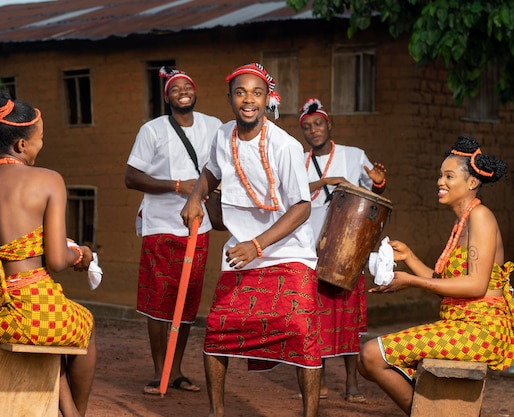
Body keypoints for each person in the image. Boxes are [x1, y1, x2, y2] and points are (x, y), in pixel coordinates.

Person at [181, 62, 322, 417]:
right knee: (216, 331)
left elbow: (302, 207)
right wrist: (195, 197)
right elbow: (211, 171)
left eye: (256, 93)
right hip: (240, 255)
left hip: (289, 253)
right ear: (230, 98)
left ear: (266, 99)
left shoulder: (285, 146)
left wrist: (257, 245)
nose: (249, 100)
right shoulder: (222, 135)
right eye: (241, 93)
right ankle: (217, 412)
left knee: (301, 330)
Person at [0, 89, 97, 417]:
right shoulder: (48, 181)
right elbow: (57, 260)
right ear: (22, 144)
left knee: (47, 322)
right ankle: (77, 413)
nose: (42, 145)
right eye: (40, 138)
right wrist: (81, 254)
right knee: (84, 323)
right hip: (29, 308)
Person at [358, 135, 513, 416]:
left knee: (371, 355)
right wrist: (411, 259)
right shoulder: (462, 222)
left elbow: (476, 285)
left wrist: (411, 281)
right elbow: (448, 285)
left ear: (472, 183)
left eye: (449, 176)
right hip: (463, 325)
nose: (440, 182)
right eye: (440, 175)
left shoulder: (481, 217)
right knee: (368, 358)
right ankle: (433, 410)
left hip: (480, 330)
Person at [125, 66, 222, 395]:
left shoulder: (214, 126)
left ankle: (176, 370)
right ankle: (158, 372)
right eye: (176, 88)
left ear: (195, 92)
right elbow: (131, 177)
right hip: (160, 225)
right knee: (158, 301)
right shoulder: (151, 130)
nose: (183, 91)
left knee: (188, 301)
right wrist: (178, 185)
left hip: (199, 226)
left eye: (188, 87)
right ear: (167, 96)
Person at [294, 98, 386, 403]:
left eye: (318, 124)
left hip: (347, 251)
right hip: (310, 249)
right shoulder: (298, 162)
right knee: (315, 317)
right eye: (307, 127)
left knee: (347, 317)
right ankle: (316, 382)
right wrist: (326, 181)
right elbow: (288, 193)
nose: (313, 130)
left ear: (328, 124)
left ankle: (351, 383)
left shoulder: (352, 155)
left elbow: (372, 197)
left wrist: (378, 184)